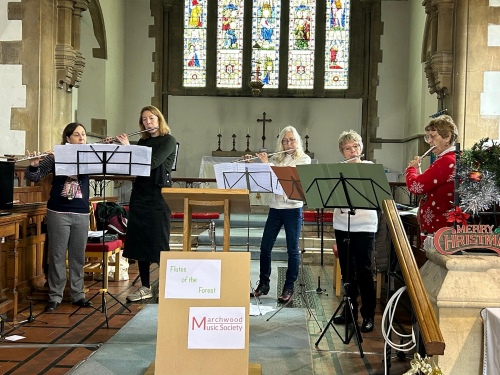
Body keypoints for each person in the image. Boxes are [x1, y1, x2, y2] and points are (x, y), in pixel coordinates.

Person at [25, 123, 93, 312]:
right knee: (56, 255)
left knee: (78, 256)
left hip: (81, 211)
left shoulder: (90, 156)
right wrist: (34, 165)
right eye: (77, 135)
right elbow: (35, 176)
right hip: (58, 211)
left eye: (84, 135)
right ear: (67, 138)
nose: (82, 138)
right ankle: (55, 296)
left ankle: (78, 294)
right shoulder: (55, 156)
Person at [115, 105, 177, 302]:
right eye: (144, 120)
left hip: (159, 195)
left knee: (159, 242)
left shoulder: (169, 140)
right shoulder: (143, 142)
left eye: (151, 118)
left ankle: (169, 286)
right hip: (140, 194)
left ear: (159, 119)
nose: (148, 123)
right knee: (139, 242)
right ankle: (145, 286)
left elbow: (152, 163)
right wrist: (125, 150)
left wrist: (128, 149)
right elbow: (132, 168)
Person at [250, 125, 311, 303]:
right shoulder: (277, 159)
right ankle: (264, 283)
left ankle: (288, 286)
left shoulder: (304, 159)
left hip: (293, 208)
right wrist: (256, 165)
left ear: (297, 141)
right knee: (265, 247)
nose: (288, 143)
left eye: (291, 140)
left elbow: (285, 174)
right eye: (285, 141)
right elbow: (268, 178)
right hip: (276, 207)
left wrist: (267, 164)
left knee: (292, 249)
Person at [332, 129, 376, 333]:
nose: (352, 151)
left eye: (355, 147)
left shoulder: (369, 168)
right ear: (342, 152)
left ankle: (368, 315)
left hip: (365, 225)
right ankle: (350, 311)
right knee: (348, 272)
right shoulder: (335, 171)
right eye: (347, 148)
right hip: (342, 224)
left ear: (361, 148)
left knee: (364, 271)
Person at [405, 114, 458, 242]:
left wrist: (411, 169)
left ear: (447, 137)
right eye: (427, 137)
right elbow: (430, 185)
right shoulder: (449, 158)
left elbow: (416, 187)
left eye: (433, 136)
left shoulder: (447, 161)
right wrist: (418, 170)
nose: (429, 141)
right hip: (439, 227)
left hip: (440, 230)